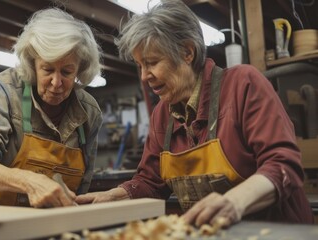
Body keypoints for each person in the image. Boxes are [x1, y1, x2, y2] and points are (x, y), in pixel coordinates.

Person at [76, 0, 314, 227]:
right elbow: (150, 182)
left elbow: (283, 164)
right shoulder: (162, 114)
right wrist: (114, 196)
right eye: (140, 66)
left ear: (187, 52)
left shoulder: (243, 85)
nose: (144, 76)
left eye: (152, 62)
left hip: (278, 231)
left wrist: (235, 202)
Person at [0, 7, 103, 208]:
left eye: (67, 72)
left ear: (80, 70)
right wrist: (27, 181)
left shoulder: (89, 112)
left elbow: (82, 188)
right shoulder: (5, 90)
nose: (56, 82)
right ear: (32, 64)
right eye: (47, 69)